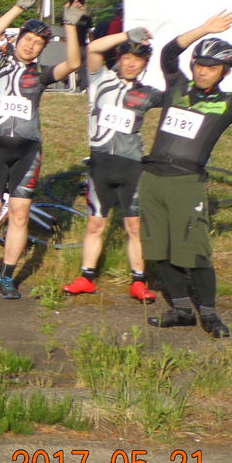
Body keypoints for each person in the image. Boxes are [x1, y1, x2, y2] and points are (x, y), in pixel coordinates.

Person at [139, 12, 232, 337]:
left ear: (225, 71)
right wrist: (204, 28)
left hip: (186, 182)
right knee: (157, 250)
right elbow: (169, 53)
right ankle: (181, 309)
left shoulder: (225, 104)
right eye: (199, 64)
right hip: (152, 179)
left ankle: (209, 313)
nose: (202, 70)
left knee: (194, 251)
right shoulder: (177, 88)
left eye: (211, 66)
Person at [0, 0, 82, 300]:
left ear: (43, 49)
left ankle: (6, 277)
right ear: (18, 39)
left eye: (38, 43)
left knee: (19, 216)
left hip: (28, 152)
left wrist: (70, 24)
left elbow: (73, 62)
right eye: (27, 39)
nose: (30, 46)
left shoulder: (41, 74)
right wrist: (19, 7)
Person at [62, 26, 165, 302]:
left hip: (132, 166)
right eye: (126, 57)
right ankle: (86, 278)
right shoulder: (101, 79)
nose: (131, 63)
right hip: (101, 164)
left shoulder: (149, 93)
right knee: (95, 225)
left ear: (145, 64)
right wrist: (127, 35)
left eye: (137, 59)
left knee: (134, 227)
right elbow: (94, 48)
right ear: (119, 59)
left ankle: (139, 281)